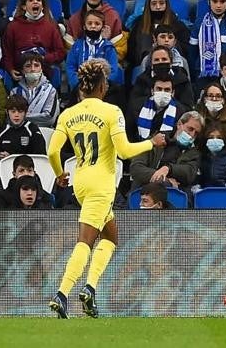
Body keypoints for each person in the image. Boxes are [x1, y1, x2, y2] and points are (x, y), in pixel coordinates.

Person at [46, 58, 167, 319]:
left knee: (110, 236)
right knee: (86, 241)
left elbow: (53, 149)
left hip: (80, 181)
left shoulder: (68, 114)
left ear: (82, 88)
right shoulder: (112, 112)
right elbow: (124, 151)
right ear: (102, 87)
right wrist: (151, 143)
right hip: (102, 183)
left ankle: (89, 289)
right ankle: (62, 293)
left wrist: (59, 174)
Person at [130, 111, 203, 193]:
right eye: (190, 129)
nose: (192, 134)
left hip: (174, 195)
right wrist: (164, 181)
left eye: (196, 133)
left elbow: (189, 173)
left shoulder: (193, 152)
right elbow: (136, 168)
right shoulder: (155, 139)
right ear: (179, 124)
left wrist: (168, 168)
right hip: (143, 190)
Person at [1, 0, 65, 82]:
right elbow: (7, 53)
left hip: (45, 74)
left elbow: (60, 52)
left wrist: (44, 58)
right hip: (20, 74)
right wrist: (10, 69)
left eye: (38, 0)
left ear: (42, 6)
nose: (35, 2)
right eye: (31, 0)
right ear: (24, 7)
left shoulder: (51, 26)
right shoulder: (13, 27)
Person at [65, 10, 121, 92]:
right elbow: (70, 67)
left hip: (103, 89)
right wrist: (78, 84)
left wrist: (100, 85)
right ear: (84, 26)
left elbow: (113, 71)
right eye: (89, 23)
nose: (93, 26)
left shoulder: (108, 47)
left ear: (103, 27)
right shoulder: (77, 46)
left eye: (97, 24)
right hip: (80, 88)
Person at [128, 0, 190, 68]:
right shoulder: (140, 25)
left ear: (166, 5)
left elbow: (186, 49)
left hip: (173, 64)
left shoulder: (178, 25)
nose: (158, 7)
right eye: (154, 4)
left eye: (161, 3)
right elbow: (132, 51)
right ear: (149, 6)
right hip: (144, 65)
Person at [128, 73, 190, 141]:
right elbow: (129, 132)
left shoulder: (180, 111)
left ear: (173, 93)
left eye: (167, 90)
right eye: (159, 89)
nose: (162, 93)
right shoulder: (138, 106)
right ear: (152, 91)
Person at [10, 52, 59, 128]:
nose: (33, 69)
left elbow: (49, 118)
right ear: (22, 70)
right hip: (20, 133)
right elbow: (12, 118)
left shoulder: (50, 90)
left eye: (36, 65)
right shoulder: (15, 92)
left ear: (41, 68)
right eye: (28, 66)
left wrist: (22, 117)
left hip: (44, 132)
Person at [0, 94, 46, 159]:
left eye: (20, 111)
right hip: (6, 168)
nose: (16, 115)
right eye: (13, 111)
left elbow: (40, 157)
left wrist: (11, 158)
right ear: (7, 112)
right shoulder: (2, 131)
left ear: (25, 112)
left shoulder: (33, 130)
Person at [195, 124, 226, 189]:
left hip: (225, 196)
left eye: (219, 137)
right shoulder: (200, 158)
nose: (215, 140)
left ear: (224, 140)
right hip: (204, 195)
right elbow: (196, 184)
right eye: (211, 137)